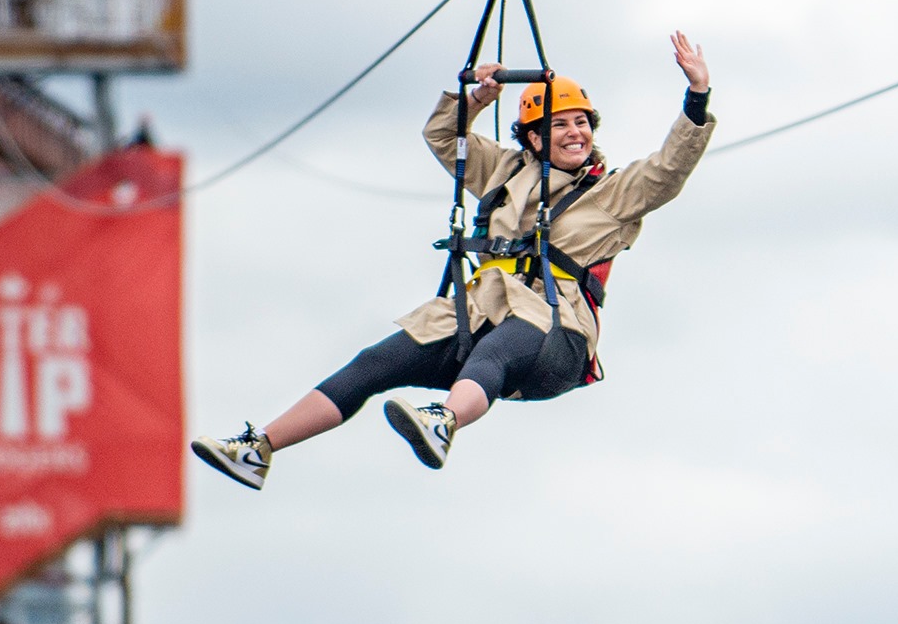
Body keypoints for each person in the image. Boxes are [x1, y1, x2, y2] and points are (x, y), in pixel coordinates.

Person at [191, 32, 715, 488]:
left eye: (583, 123)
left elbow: (669, 169)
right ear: (534, 138)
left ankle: (444, 420)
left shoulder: (613, 192)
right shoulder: (505, 171)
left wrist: (696, 95)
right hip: (478, 314)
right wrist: (476, 99)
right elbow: (443, 135)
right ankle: (259, 448)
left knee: (504, 345)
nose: (577, 133)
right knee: (375, 362)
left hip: (555, 335)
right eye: (561, 125)